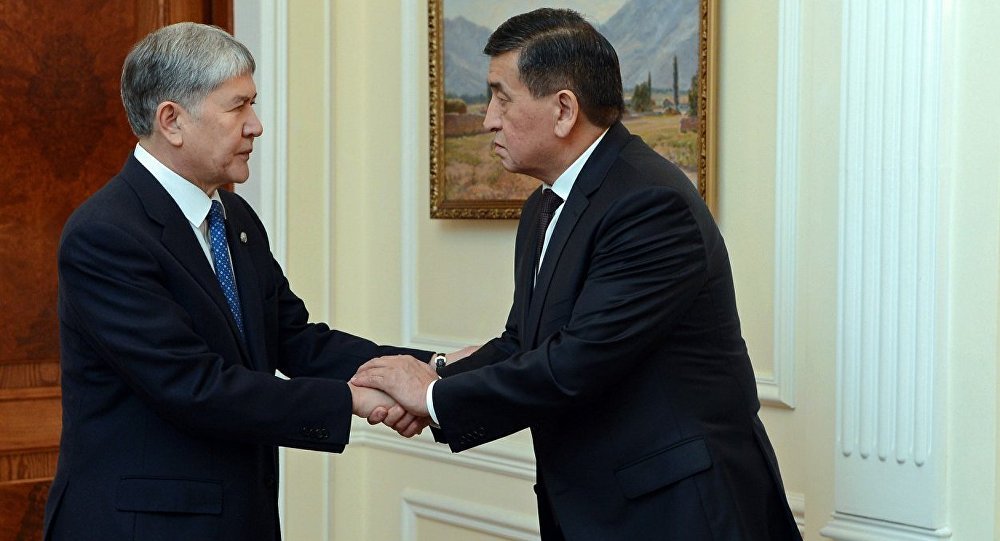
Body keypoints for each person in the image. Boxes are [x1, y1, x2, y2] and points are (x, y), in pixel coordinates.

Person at [351, 8, 801, 540]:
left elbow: (574, 363)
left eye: (501, 98)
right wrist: (437, 376)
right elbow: (525, 344)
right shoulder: (544, 207)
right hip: (598, 508)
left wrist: (431, 399)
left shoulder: (649, 203)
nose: (488, 119)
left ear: (564, 110)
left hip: (679, 514)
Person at [43, 22, 445, 541]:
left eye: (253, 105)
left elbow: (296, 340)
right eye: (238, 107)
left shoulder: (234, 218)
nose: (256, 126)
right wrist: (349, 400)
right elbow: (193, 386)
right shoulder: (105, 234)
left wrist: (425, 369)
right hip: (143, 527)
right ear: (172, 120)